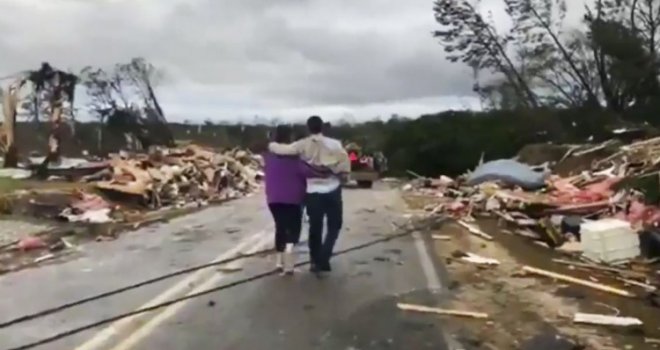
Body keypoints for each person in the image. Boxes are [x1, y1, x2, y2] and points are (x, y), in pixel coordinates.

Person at [268, 116, 350, 273]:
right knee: (335, 225)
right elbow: (344, 163)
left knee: (315, 228)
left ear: (308, 128)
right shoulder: (335, 144)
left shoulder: (302, 144)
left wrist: (271, 144)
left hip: (313, 191)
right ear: (323, 128)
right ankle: (324, 257)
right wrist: (342, 174)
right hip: (333, 189)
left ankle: (314, 261)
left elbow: (283, 150)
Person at [263, 125, 328, 274]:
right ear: (290, 137)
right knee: (293, 229)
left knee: (280, 227)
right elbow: (310, 172)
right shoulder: (296, 158)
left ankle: (279, 262)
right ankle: (289, 263)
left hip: (273, 198)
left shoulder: (268, 156)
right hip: (293, 199)